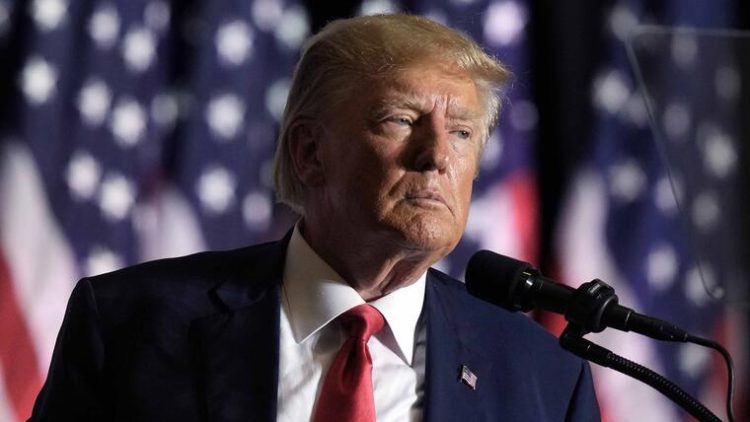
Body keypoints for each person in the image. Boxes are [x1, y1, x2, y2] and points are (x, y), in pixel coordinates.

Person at [29, 13, 600, 421]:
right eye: (401, 120)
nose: (437, 157)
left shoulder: (543, 375)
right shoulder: (131, 325)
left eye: (462, 133)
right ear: (309, 152)